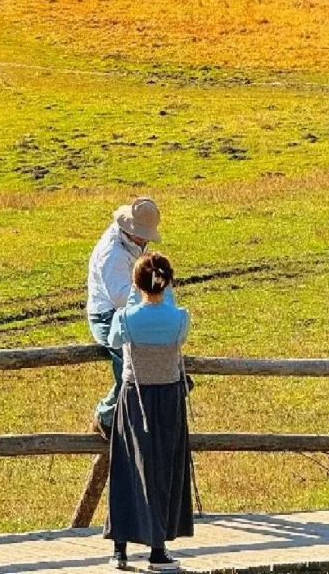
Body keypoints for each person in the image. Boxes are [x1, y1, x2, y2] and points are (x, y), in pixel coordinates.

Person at [105, 252, 193, 573]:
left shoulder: (125, 319)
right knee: (164, 470)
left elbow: (114, 339)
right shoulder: (180, 318)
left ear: (136, 283)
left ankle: (120, 549)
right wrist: (161, 289)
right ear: (168, 281)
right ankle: (158, 549)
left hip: (134, 398)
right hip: (168, 397)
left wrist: (136, 290)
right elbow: (174, 324)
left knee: (128, 471)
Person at [87, 198, 161, 434]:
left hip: (127, 311)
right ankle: (107, 415)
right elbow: (120, 297)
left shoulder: (129, 241)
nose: (146, 239)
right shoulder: (113, 254)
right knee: (129, 364)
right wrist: (151, 290)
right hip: (106, 314)